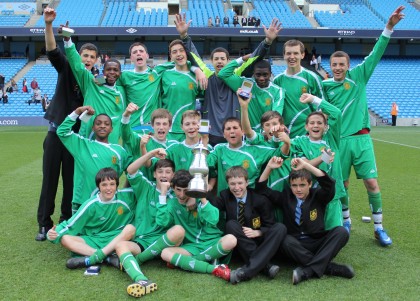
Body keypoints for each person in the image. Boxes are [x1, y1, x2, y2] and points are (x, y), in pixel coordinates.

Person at [322, 6, 405, 246]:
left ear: (348, 65)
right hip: (340, 142)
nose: (338, 67)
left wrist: (389, 27)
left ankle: (379, 228)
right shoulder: (325, 87)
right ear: (330, 66)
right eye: (334, 64)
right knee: (343, 184)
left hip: (361, 139)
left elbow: (377, 52)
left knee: (371, 183)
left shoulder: (358, 76)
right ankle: (346, 221)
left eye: (341, 64)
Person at [35, 7, 100, 241]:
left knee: (72, 182)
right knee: (50, 180)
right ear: (78, 57)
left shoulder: (94, 83)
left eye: (92, 58)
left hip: (77, 139)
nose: (88, 60)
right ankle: (44, 223)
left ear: (96, 61)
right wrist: (50, 25)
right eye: (85, 56)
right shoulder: (66, 67)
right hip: (56, 134)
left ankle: (65, 220)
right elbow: (52, 49)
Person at [175, 14, 280, 146]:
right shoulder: (206, 75)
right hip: (210, 131)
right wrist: (184, 36)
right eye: (216, 59)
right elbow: (194, 57)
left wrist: (267, 42)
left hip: (234, 130)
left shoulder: (236, 74)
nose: (219, 62)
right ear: (211, 62)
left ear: (228, 61)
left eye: (222, 59)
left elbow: (253, 59)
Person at [257, 158, 354, 285]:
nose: (298, 189)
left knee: (341, 231)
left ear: (309, 184)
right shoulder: (285, 197)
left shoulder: (318, 195)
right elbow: (261, 189)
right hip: (295, 245)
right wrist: (269, 167)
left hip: (316, 241)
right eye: (294, 185)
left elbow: (329, 184)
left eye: (302, 185)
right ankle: (329, 268)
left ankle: (307, 271)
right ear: (290, 186)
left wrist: (307, 165)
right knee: (284, 240)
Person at [115, 150, 185, 298]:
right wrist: (151, 154)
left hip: (164, 243)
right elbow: (131, 170)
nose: (164, 175)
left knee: (178, 230)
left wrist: (163, 195)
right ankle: (141, 279)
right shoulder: (146, 186)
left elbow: (162, 221)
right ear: (154, 174)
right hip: (143, 241)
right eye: (160, 171)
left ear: (173, 175)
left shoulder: (176, 196)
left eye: (168, 172)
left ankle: (138, 260)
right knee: (121, 245)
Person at [207, 166, 287, 284]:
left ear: (247, 182)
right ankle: (266, 266)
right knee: (231, 224)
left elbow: (271, 225)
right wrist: (202, 189)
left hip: (260, 243)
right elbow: (213, 203)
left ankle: (246, 272)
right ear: (228, 184)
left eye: (240, 183)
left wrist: (258, 232)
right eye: (232, 184)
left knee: (280, 228)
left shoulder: (260, 200)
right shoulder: (225, 196)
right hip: (240, 244)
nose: (236, 187)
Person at [47, 168, 136, 270]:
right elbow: (70, 224)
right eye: (104, 185)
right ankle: (106, 257)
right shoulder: (90, 205)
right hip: (95, 239)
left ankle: (96, 257)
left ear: (117, 185)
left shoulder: (127, 196)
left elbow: (146, 188)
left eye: (112, 184)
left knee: (131, 229)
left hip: (117, 237)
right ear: (98, 186)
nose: (109, 188)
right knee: (65, 239)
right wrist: (52, 234)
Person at [157, 169, 236, 281]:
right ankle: (214, 268)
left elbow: (213, 219)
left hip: (210, 242)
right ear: (173, 187)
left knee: (231, 240)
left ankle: (188, 262)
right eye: (178, 190)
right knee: (165, 253)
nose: (182, 194)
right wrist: (163, 194)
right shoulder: (172, 203)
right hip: (191, 246)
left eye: (186, 190)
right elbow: (162, 222)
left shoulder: (199, 200)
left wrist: (201, 197)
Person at [57, 106, 131, 213]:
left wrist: (124, 191)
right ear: (93, 128)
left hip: (108, 202)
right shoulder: (82, 145)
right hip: (82, 202)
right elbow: (62, 132)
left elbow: (133, 172)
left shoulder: (119, 151)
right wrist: (77, 111)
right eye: (98, 123)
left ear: (111, 129)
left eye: (106, 124)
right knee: (81, 230)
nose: (102, 126)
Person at [291, 94, 345, 231]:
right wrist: (323, 158)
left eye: (320, 123)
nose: (316, 126)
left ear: (326, 126)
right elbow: (304, 167)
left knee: (334, 231)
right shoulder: (299, 142)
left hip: (332, 194)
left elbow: (337, 113)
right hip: (311, 195)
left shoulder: (331, 139)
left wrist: (314, 100)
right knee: (314, 232)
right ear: (306, 126)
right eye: (312, 123)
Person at [64, 31, 125, 144]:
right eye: (108, 70)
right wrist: (67, 40)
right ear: (103, 72)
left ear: (120, 74)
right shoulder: (92, 83)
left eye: (115, 70)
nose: (112, 72)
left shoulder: (121, 91)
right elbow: (77, 64)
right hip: (88, 136)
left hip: (111, 140)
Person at [207, 117, 283, 194]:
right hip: (224, 200)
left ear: (243, 131)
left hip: (249, 199)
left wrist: (277, 137)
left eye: (235, 128)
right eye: (228, 129)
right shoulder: (219, 149)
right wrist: (204, 138)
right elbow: (207, 163)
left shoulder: (254, 149)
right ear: (223, 134)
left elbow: (279, 152)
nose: (232, 131)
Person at [273, 39, 324, 139]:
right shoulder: (277, 80)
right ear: (284, 55)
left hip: (306, 135)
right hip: (285, 134)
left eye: (296, 53)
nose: (292, 57)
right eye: (288, 53)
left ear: (302, 55)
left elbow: (322, 106)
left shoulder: (312, 77)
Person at [218, 57, 284, 131]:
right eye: (258, 75)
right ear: (253, 74)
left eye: (265, 75)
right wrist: (242, 59)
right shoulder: (245, 84)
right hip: (247, 133)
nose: (261, 78)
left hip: (267, 133)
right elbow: (222, 74)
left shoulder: (278, 91)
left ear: (270, 74)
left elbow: (276, 116)